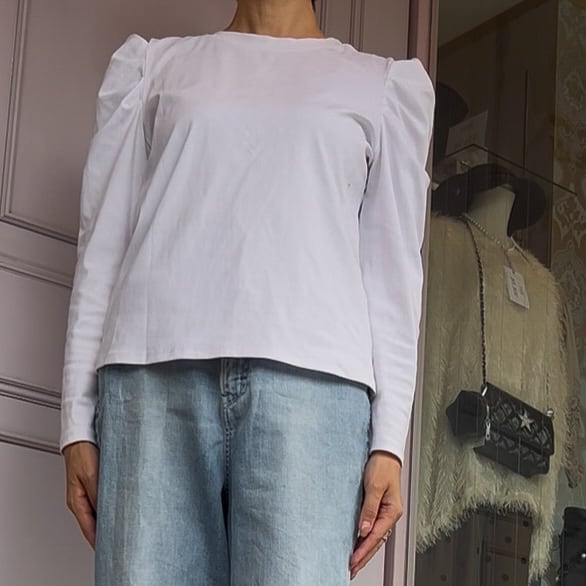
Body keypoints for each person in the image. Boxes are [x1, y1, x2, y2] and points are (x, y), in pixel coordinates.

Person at [60, 0, 435, 584]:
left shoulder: (380, 88)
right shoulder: (153, 69)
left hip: (313, 397)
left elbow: (393, 276)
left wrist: (390, 442)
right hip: (152, 383)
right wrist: (76, 423)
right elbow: (101, 245)